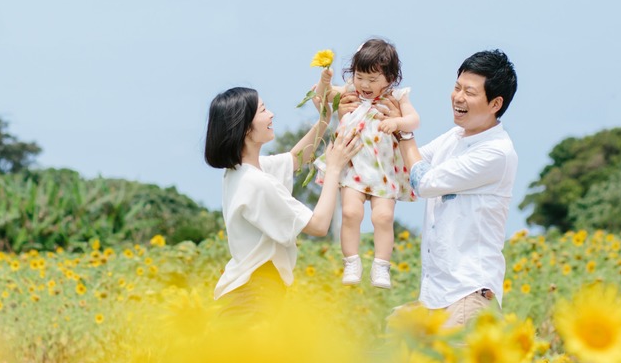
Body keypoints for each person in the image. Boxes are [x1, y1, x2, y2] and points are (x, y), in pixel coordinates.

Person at [204, 72, 361, 312]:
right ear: (246, 128)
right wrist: (334, 168)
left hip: (245, 293)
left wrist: (324, 119)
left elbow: (296, 158)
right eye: (263, 110)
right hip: (253, 296)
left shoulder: (241, 172)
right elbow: (318, 225)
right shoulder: (256, 183)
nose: (271, 115)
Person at [392, 49, 518, 329]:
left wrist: (404, 130)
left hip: (468, 295)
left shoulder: (497, 152)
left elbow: (423, 182)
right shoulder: (455, 137)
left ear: (495, 102)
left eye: (470, 92)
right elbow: (406, 173)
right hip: (436, 296)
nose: (458, 97)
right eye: (457, 87)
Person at [315, 38, 419, 290]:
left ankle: (381, 266)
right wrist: (324, 81)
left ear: (390, 78)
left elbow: (414, 120)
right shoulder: (351, 90)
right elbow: (322, 98)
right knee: (350, 213)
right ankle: (351, 261)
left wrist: (397, 123)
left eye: (372, 80)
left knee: (383, 217)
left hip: (384, 170)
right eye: (360, 77)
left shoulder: (396, 96)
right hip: (353, 164)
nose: (365, 85)